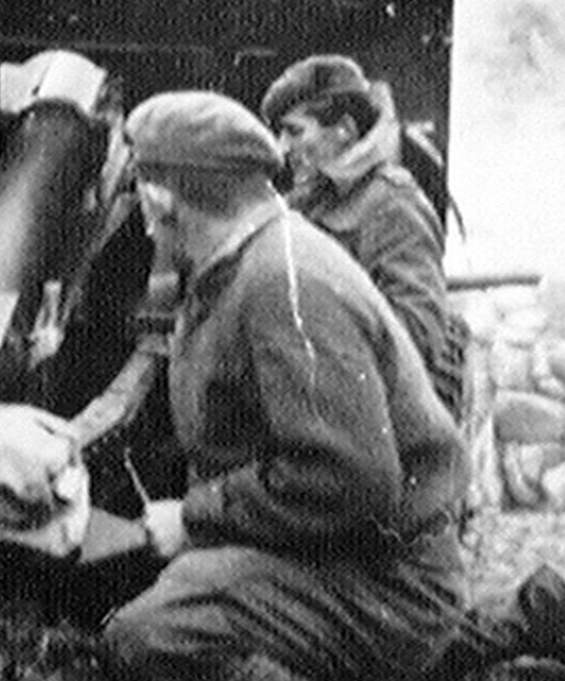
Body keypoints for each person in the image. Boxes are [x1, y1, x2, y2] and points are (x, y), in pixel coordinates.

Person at [98, 90, 472, 681]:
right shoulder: (245, 261)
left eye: (138, 183)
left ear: (160, 195)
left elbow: (348, 477)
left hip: (388, 583)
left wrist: (196, 520)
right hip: (345, 555)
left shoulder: (282, 282)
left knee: (155, 636)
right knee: (173, 591)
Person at [260, 55, 466, 416]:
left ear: (345, 129)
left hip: (386, 413)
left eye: (294, 131)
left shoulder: (393, 205)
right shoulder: (310, 200)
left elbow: (417, 337)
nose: (282, 148)